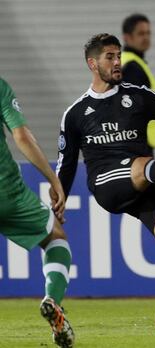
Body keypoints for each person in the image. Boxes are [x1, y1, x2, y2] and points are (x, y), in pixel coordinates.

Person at [55, 33, 155, 329]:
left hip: (144, 181)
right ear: (92, 63)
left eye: (118, 56)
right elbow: (67, 165)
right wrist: (58, 203)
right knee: (140, 165)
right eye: (109, 57)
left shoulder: (138, 96)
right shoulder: (75, 114)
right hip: (106, 184)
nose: (117, 62)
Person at [0, 78, 75, 347]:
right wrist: (53, 181)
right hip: (7, 192)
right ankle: (52, 300)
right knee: (55, 237)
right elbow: (21, 135)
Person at [121, 13, 155, 155]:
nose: (146, 37)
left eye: (148, 33)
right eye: (141, 33)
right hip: (138, 142)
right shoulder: (132, 67)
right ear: (127, 37)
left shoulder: (130, 62)